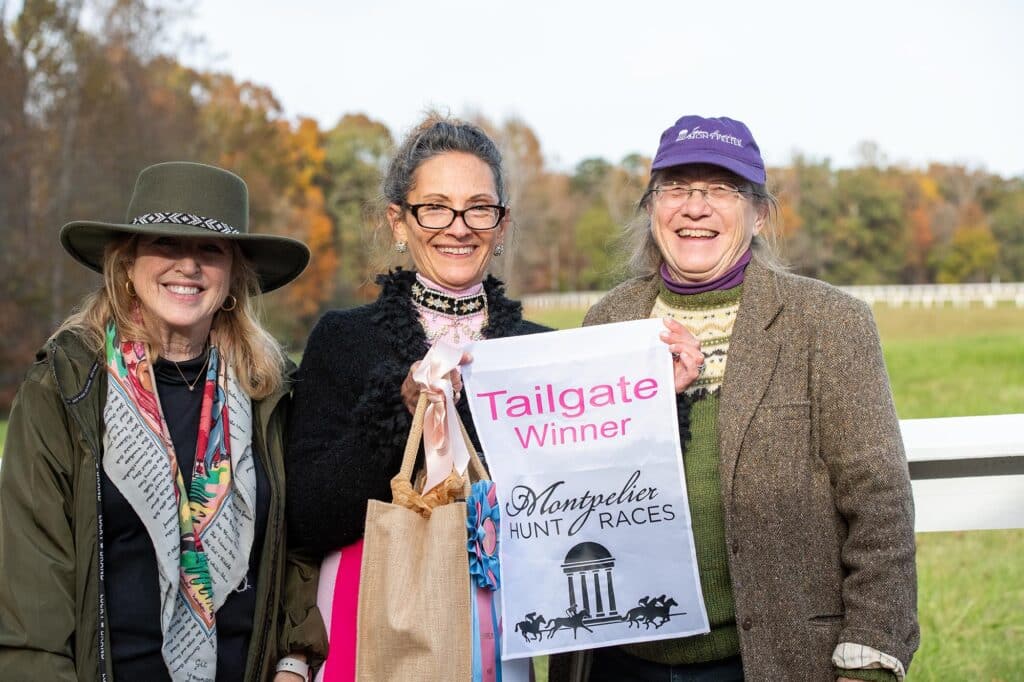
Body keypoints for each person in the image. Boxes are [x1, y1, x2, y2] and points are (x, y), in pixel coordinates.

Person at [549, 116, 919, 681]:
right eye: (676, 187)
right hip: (623, 661)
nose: (695, 207)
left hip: (771, 659)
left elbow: (880, 503)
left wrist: (868, 657)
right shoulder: (608, 320)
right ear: (652, 208)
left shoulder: (827, 322)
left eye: (721, 189)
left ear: (760, 213)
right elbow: (582, 488)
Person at [0, 162, 328, 682]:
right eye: (166, 244)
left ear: (234, 276)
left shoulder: (271, 393)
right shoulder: (65, 388)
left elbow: (299, 545)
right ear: (127, 264)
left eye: (210, 250)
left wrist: (294, 660)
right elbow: (29, 595)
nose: (188, 266)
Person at [285, 114, 549, 554]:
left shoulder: (542, 350)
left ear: (501, 224)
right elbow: (308, 522)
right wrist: (398, 409)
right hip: (393, 611)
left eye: (479, 207)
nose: (459, 227)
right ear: (399, 222)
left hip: (523, 613)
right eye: (435, 207)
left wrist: (653, 390)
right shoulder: (343, 340)